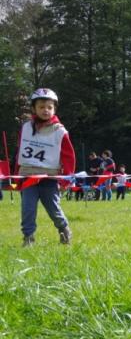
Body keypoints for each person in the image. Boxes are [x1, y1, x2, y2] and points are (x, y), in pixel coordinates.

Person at [15, 88, 75, 246]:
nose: (46, 110)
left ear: (55, 109)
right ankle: (28, 238)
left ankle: (64, 230)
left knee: (54, 210)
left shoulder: (60, 131)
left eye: (49, 107)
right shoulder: (26, 128)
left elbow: (68, 156)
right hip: (28, 177)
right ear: (33, 108)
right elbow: (20, 153)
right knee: (28, 210)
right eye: (41, 107)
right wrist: (16, 177)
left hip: (49, 179)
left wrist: (66, 179)